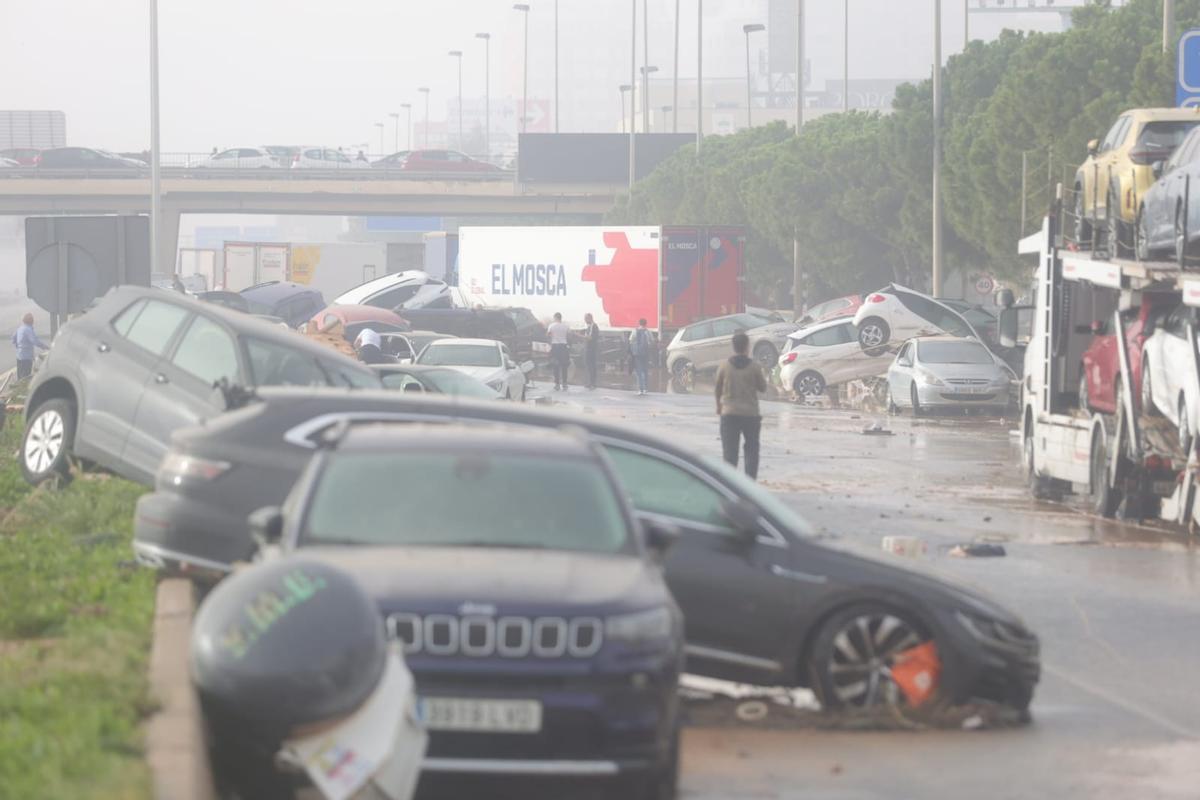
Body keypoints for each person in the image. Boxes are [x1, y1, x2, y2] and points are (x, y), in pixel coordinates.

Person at [714, 331, 767, 480]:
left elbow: (717, 388)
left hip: (729, 414)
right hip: (750, 415)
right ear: (747, 347)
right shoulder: (754, 367)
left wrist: (718, 406)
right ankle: (749, 484)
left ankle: (731, 485)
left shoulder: (724, 366)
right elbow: (762, 387)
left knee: (730, 454)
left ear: (733, 346)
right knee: (751, 450)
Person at [11, 313, 48, 380]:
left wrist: (19, 347)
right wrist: (46, 347)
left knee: (20, 377)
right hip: (26, 357)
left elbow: (13, 339)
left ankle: (19, 389)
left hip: (19, 356)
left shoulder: (20, 328)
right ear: (31, 321)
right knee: (26, 377)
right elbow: (35, 341)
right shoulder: (28, 330)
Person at [546, 312, 572, 391]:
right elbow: (569, 336)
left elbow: (548, 335)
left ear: (555, 318)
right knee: (564, 366)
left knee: (555, 365)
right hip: (563, 346)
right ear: (561, 318)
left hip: (555, 347)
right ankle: (564, 384)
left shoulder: (551, 326)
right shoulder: (566, 326)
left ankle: (557, 384)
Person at [628, 318, 653, 396]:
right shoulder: (648, 332)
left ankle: (640, 389)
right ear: (646, 324)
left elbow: (630, 340)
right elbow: (652, 341)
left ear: (639, 323)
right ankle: (645, 389)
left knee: (639, 372)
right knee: (645, 371)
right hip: (646, 354)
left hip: (637, 354)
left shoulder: (635, 331)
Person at [582, 313, 600, 389]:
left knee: (591, 366)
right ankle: (590, 382)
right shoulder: (589, 327)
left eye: (586, 319)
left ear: (590, 318)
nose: (585, 320)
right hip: (589, 348)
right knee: (589, 366)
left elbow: (590, 338)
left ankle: (592, 383)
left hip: (591, 349)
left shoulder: (593, 326)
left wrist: (578, 335)